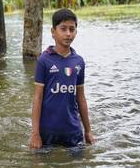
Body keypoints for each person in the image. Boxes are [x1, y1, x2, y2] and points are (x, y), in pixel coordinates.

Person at [30, 8, 94, 149]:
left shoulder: (79, 62)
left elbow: (81, 98)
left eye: (72, 29)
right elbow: (37, 98)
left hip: (73, 131)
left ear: (76, 32)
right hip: (48, 132)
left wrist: (88, 130)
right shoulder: (44, 60)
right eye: (63, 29)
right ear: (53, 32)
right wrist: (35, 134)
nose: (68, 34)